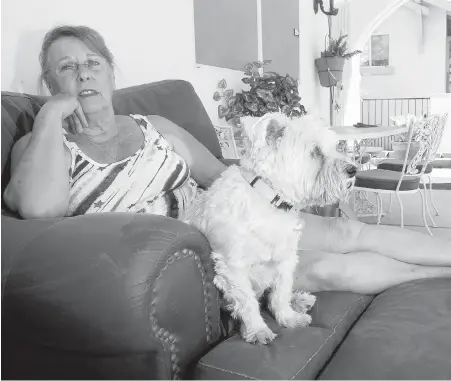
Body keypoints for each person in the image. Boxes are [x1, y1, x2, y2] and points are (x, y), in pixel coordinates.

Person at [4, 25, 451, 296]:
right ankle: (432, 280)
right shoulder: (40, 146)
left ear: (109, 72)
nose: (83, 73)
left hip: (230, 216)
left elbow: (220, 174)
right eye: (66, 68)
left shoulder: (153, 124)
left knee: (344, 230)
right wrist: (49, 117)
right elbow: (41, 211)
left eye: (92, 62)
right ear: (48, 83)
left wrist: (277, 198)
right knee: (330, 267)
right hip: (197, 258)